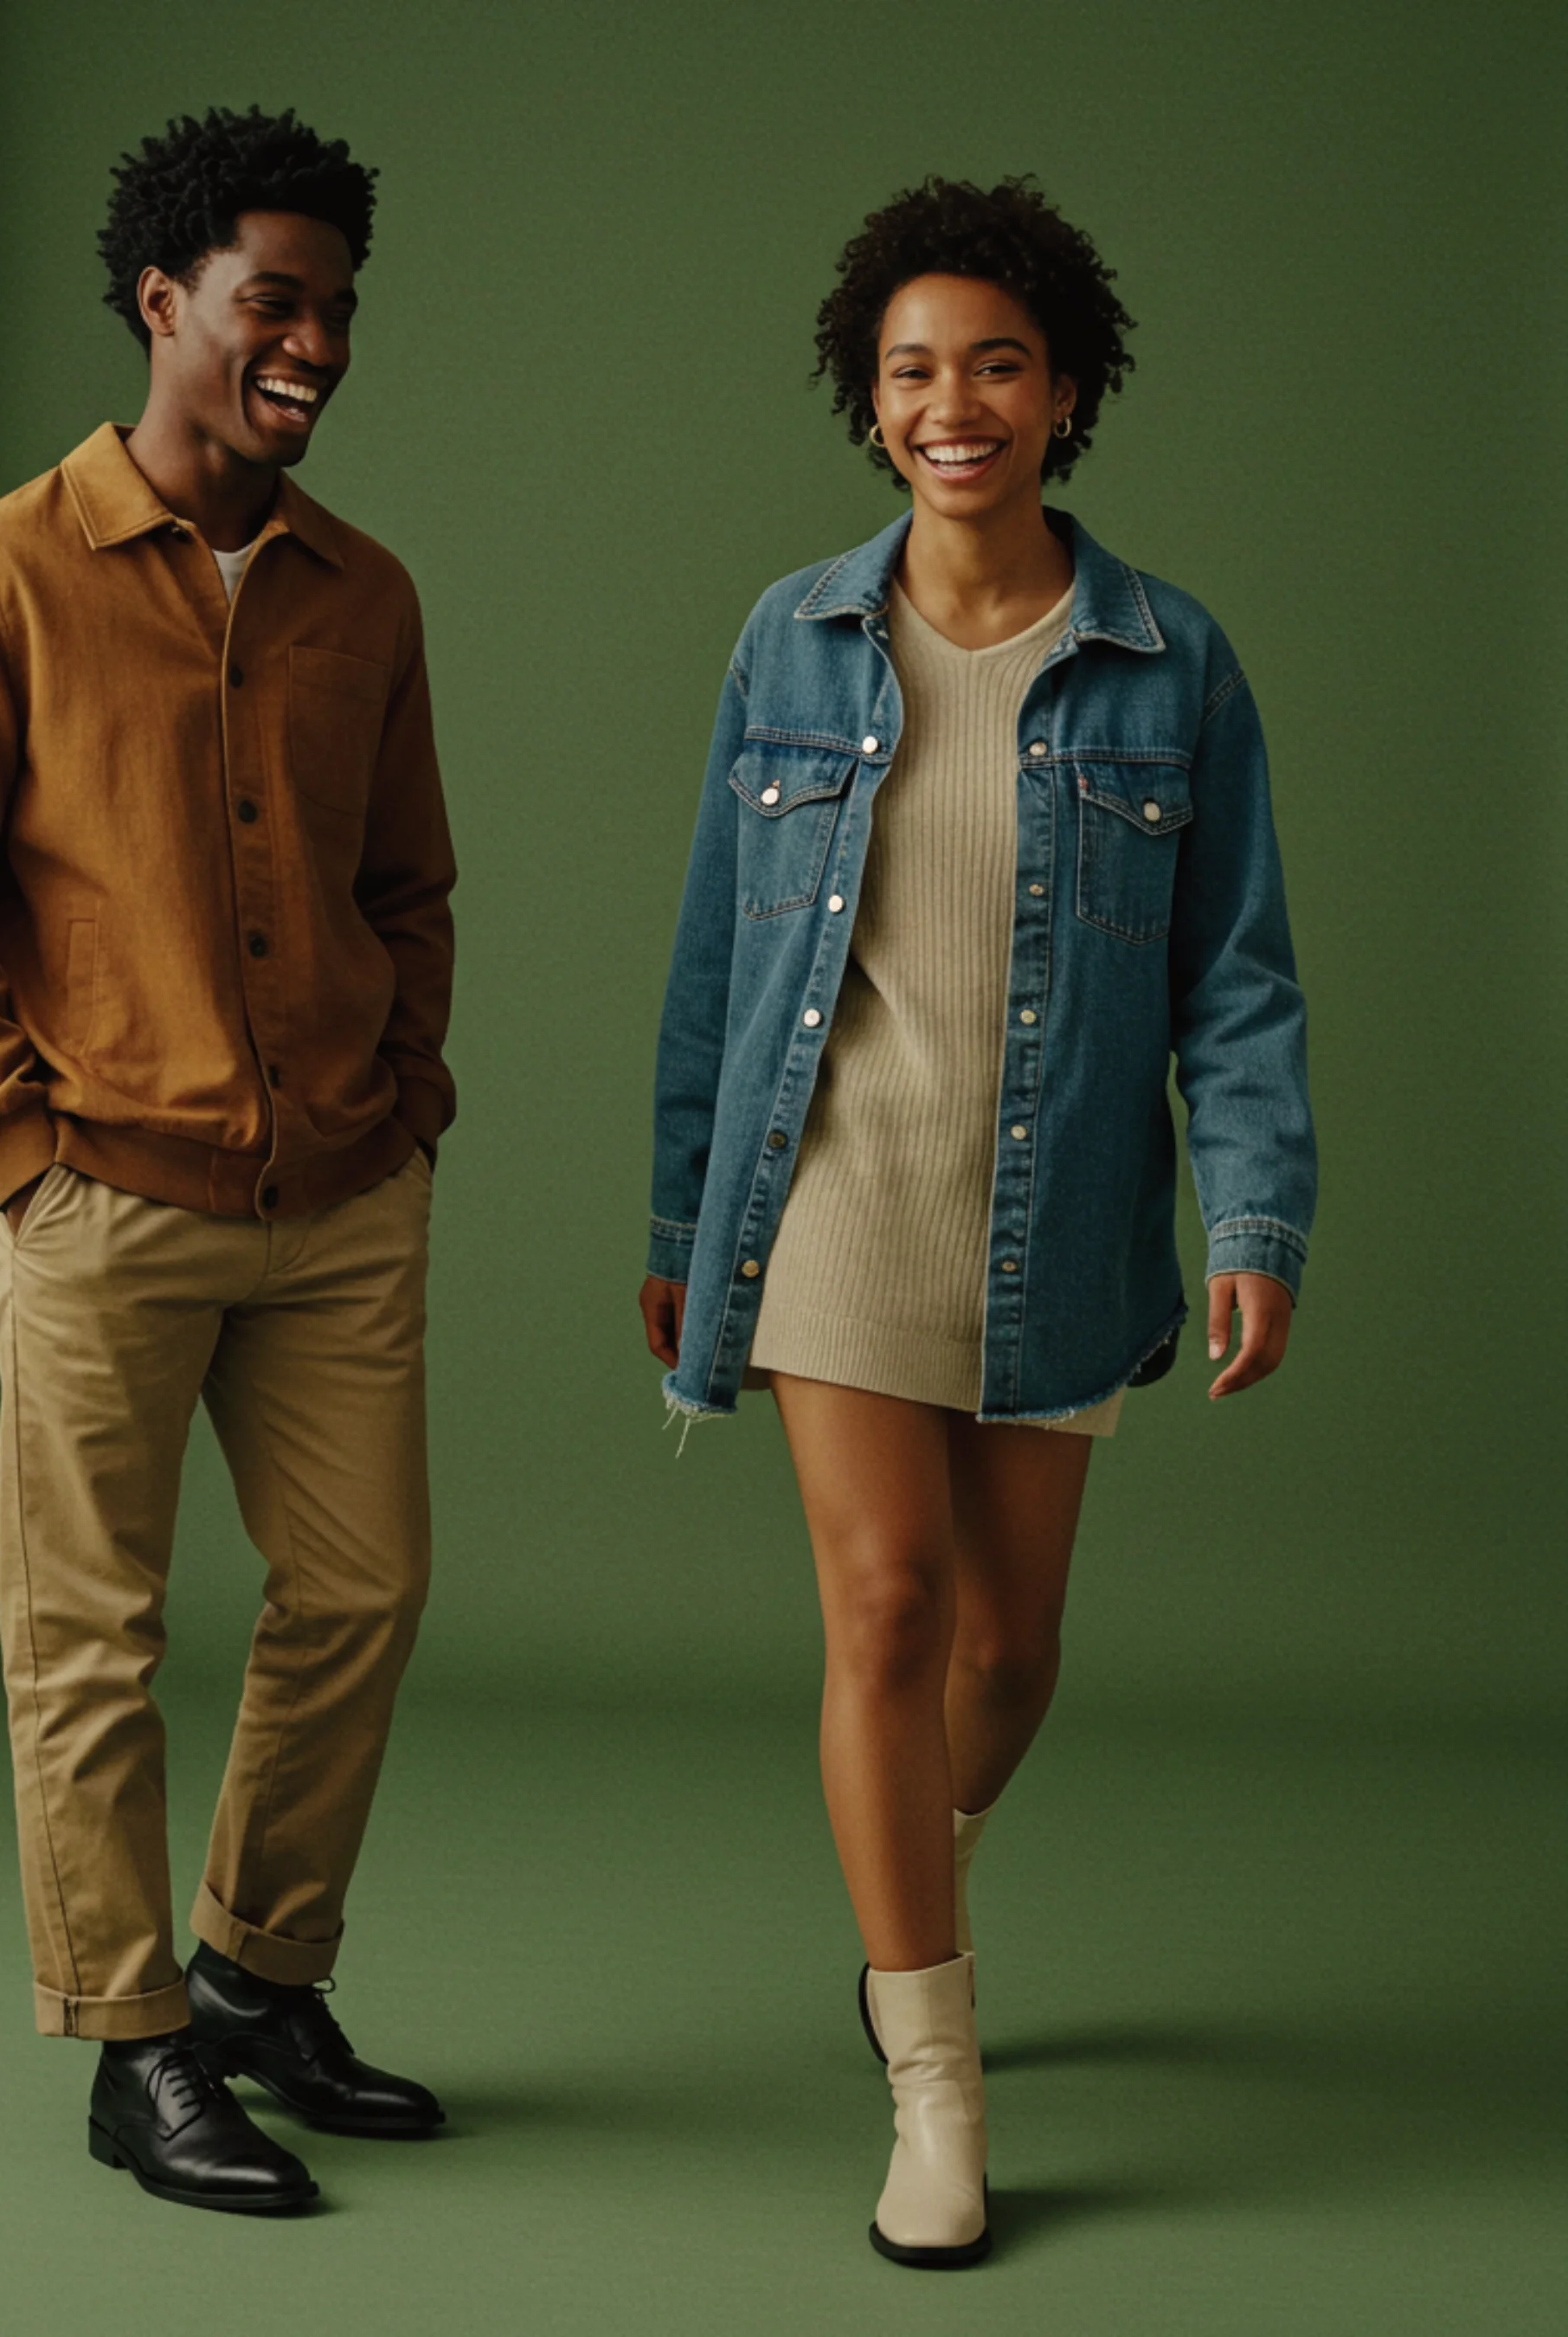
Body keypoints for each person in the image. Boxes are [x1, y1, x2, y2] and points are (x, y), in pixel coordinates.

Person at [640, 177, 1313, 2268]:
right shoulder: (792, 638)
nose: (956, 403)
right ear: (870, 403)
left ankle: (901, 1891)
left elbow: (1239, 974)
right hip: (832, 1188)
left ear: (1068, 392)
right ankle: (937, 2078)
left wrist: (1257, 1214)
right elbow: (710, 965)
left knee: (1011, 1652)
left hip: (1056, 1215)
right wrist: (684, 1208)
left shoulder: (1168, 658)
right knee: (889, 1608)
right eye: (915, 368)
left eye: (997, 364)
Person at [0, 105, 456, 2215]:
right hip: (103, 1197)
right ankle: (133, 2050)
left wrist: (412, 1102)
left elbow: (411, 884)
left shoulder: (361, 594)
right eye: (274, 302)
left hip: (337, 1202)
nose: (316, 343)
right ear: (167, 303)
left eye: (337, 313)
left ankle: (257, 1977)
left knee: (363, 1590)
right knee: (84, 1640)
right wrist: (19, 1160)